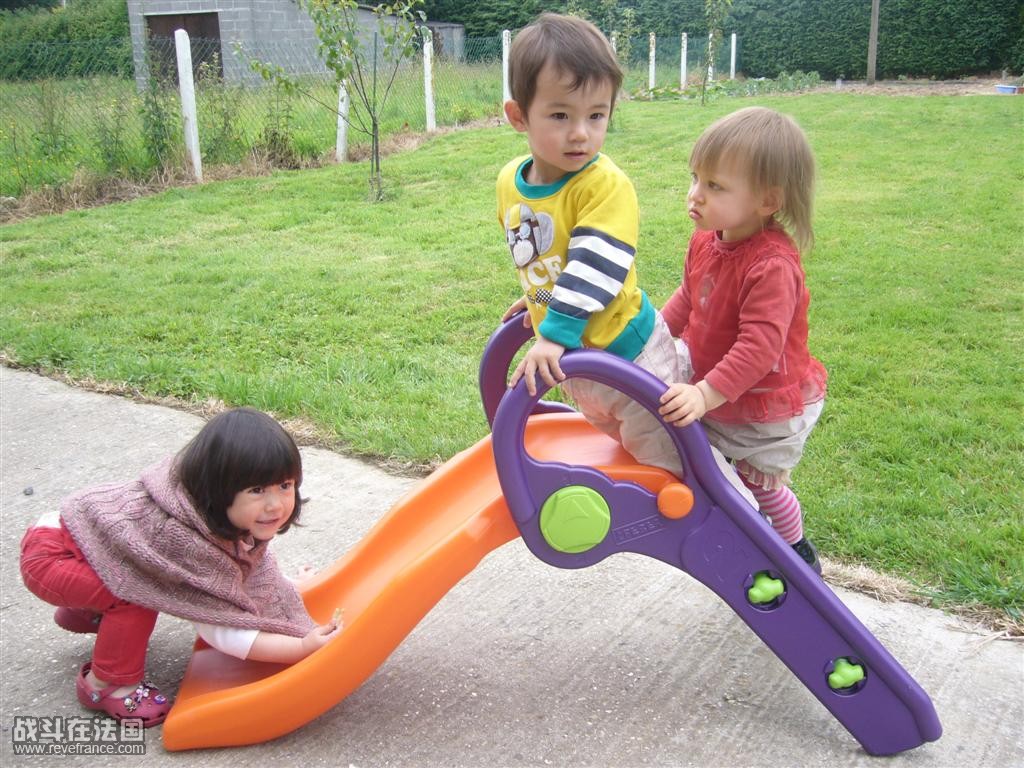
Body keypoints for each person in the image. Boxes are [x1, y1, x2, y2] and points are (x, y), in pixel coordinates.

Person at [20, 408, 342, 726]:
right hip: (54, 556)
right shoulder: (187, 543)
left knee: (133, 580)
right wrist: (300, 647)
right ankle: (107, 684)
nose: (275, 504)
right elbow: (222, 629)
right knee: (136, 594)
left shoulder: (215, 512)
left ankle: (89, 611)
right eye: (257, 490)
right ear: (217, 491)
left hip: (85, 548)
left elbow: (250, 567)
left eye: (285, 485)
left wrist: (287, 585)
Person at [497, 12, 690, 481]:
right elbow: (542, 255)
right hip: (579, 362)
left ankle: (746, 520)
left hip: (630, 359)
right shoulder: (510, 183)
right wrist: (538, 298)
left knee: (677, 468)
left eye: (596, 115)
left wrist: (554, 331)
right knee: (631, 461)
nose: (581, 132)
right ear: (519, 116)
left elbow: (594, 266)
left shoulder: (604, 185)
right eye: (560, 115)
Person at [658, 106, 828, 572]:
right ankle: (741, 534)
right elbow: (689, 297)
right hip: (716, 387)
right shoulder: (706, 239)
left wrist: (703, 393)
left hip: (758, 404)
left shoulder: (771, 266)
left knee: (760, 485)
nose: (695, 194)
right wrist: (653, 337)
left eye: (715, 186)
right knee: (710, 470)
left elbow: (759, 349)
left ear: (767, 200)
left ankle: (796, 553)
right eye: (695, 178)